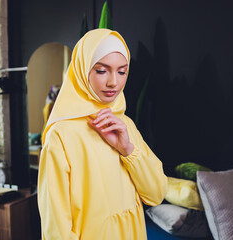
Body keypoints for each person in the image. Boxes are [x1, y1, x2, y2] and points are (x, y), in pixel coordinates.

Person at [38, 28, 168, 240]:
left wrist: (127, 149)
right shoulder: (60, 134)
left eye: (122, 71)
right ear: (82, 69)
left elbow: (156, 194)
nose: (113, 83)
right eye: (101, 70)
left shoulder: (125, 125)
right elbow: (56, 224)